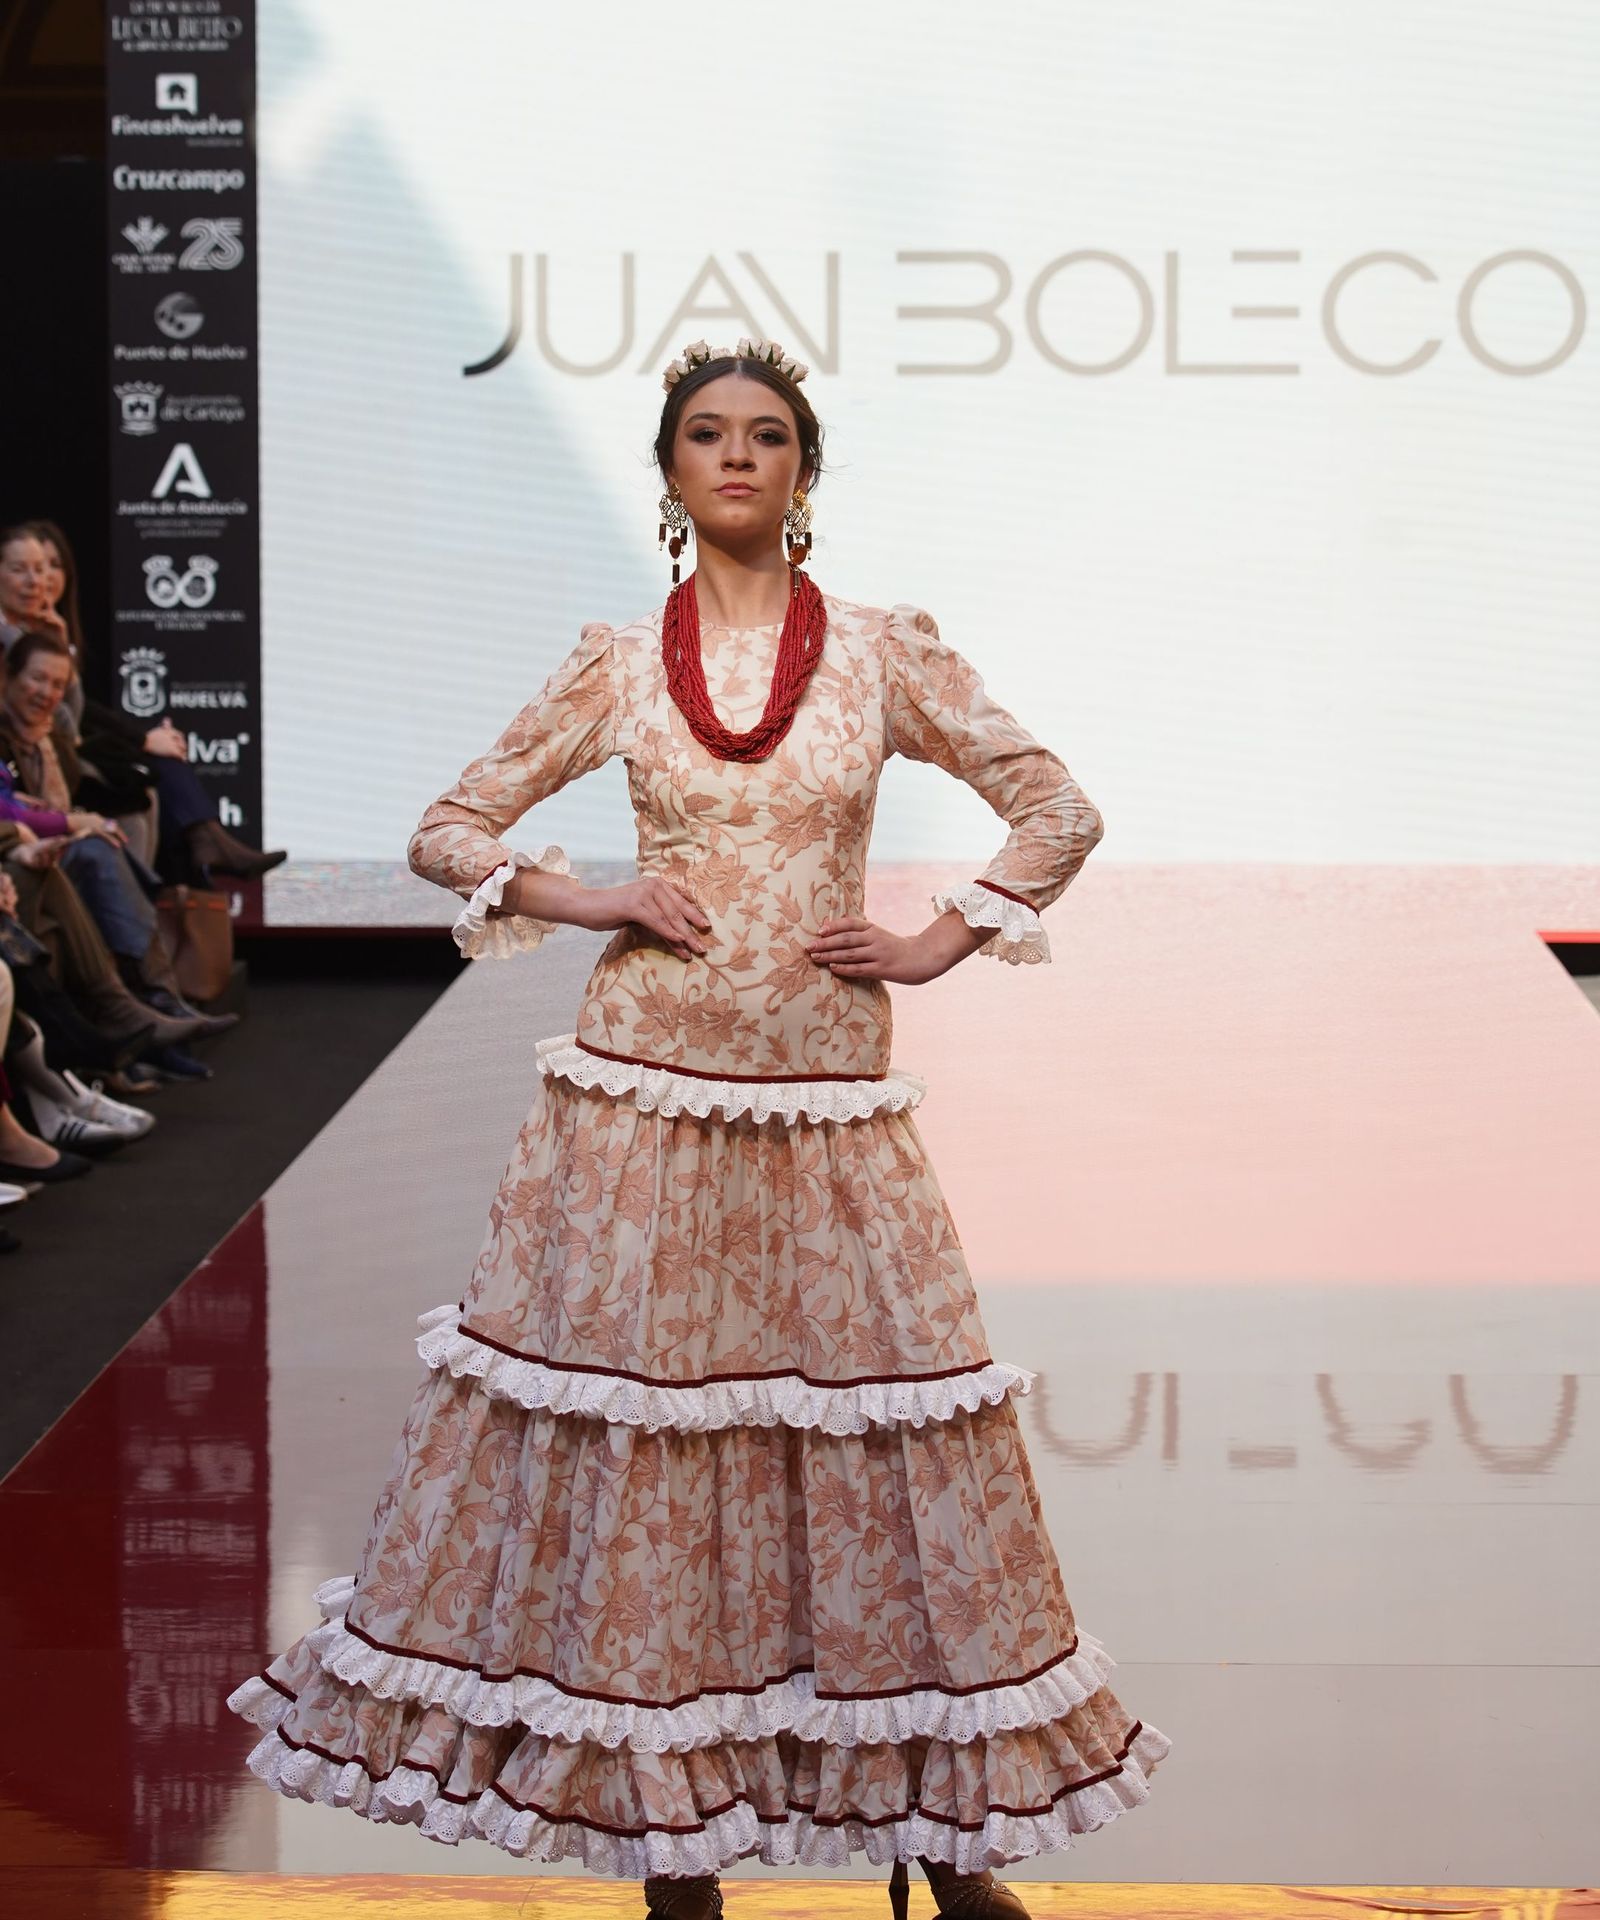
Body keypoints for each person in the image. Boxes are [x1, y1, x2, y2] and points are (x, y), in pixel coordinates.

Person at [226, 337, 1171, 1909]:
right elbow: (445, 827)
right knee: (655, 1458)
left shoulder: (880, 654)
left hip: (823, 1100)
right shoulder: (617, 660)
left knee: (886, 1454)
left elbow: (1056, 802)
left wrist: (948, 933)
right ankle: (675, 1848)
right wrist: (588, 893)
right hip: (642, 1103)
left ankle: (944, 1850)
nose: (740, 457)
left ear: (806, 472)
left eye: (771, 436)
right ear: (668, 475)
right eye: (710, 437)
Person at [0, 521, 287, 884]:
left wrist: (64, 654)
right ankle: (184, 869)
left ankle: (176, 888)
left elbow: (68, 714)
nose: (36, 581)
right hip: (24, 758)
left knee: (144, 795)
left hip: (57, 748)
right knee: (141, 782)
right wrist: (139, 740)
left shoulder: (44, 629)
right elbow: (66, 722)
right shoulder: (11, 640)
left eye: (44, 568)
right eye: (19, 570)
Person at [0, 631, 235, 1046]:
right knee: (94, 850)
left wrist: (92, 819)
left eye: (58, 684)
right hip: (16, 855)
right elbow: (11, 813)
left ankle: (148, 1001)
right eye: (38, 679)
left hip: (44, 844)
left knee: (115, 832)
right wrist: (76, 824)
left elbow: (73, 789)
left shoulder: (52, 738)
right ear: (9, 676)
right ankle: (145, 998)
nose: (47, 693)